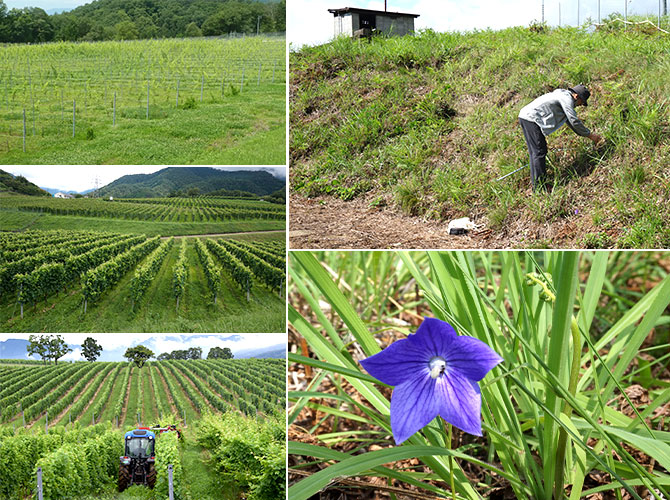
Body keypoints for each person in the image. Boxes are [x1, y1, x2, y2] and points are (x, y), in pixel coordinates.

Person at [518, 84, 603, 190]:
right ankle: (539, 187)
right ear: (577, 96)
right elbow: (574, 121)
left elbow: (571, 123)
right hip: (531, 118)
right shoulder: (566, 99)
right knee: (538, 152)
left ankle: (539, 183)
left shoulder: (562, 95)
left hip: (527, 117)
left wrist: (586, 134)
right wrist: (590, 135)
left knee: (538, 151)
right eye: (582, 102)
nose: (581, 105)